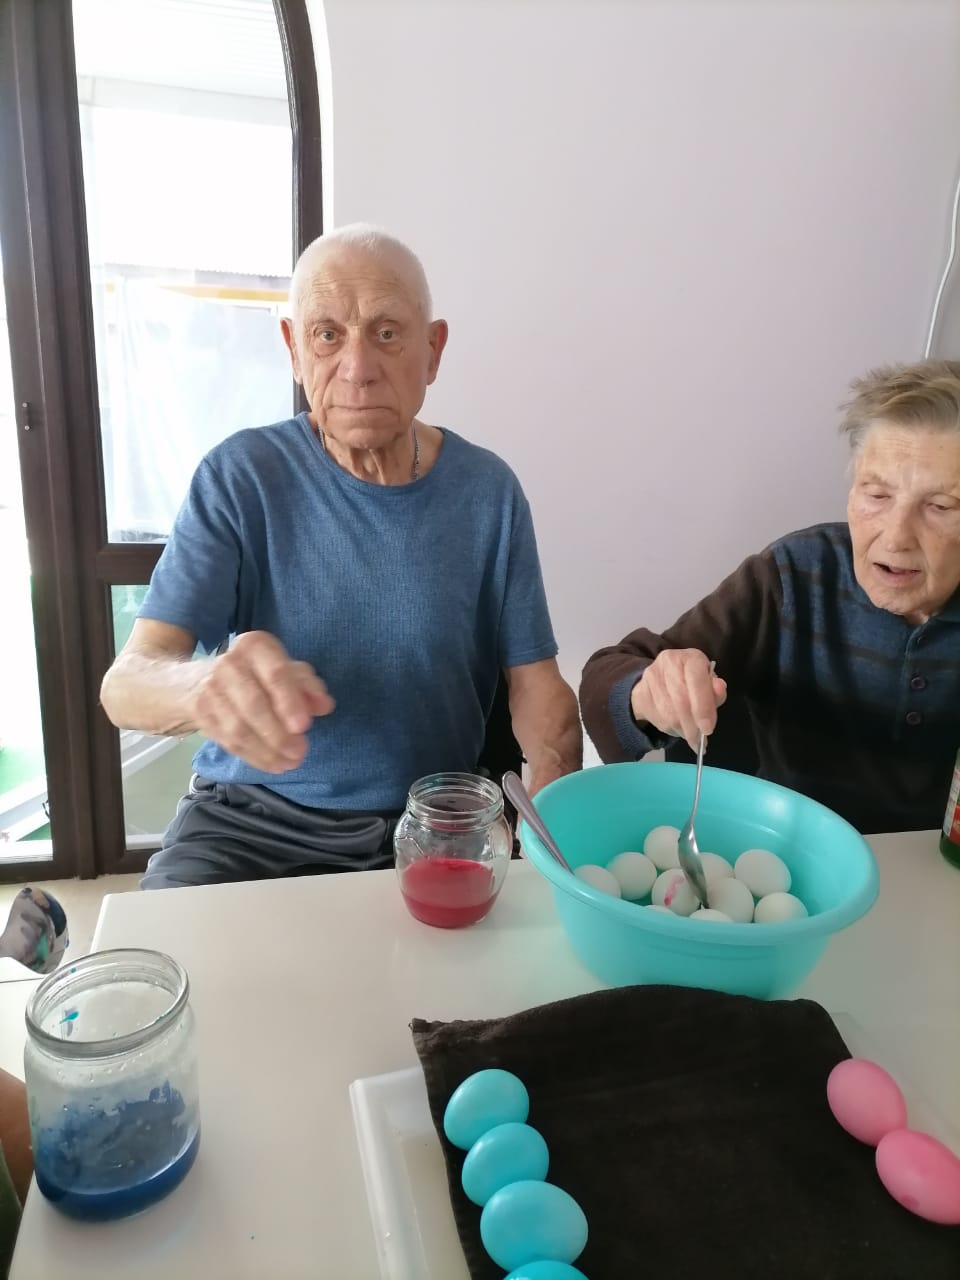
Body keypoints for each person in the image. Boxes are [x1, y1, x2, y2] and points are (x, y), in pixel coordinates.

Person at [101, 224, 581, 888]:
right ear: (294, 350)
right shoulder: (242, 477)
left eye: (386, 333)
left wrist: (552, 816)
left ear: (433, 350)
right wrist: (203, 688)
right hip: (248, 821)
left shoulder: (488, 493)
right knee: (169, 947)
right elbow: (126, 684)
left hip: (431, 822)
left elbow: (537, 687)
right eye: (327, 335)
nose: (357, 367)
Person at [579, 359, 960, 834]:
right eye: (877, 495)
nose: (896, 537)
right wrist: (648, 690)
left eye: (940, 506)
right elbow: (609, 673)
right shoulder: (794, 573)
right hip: (783, 850)